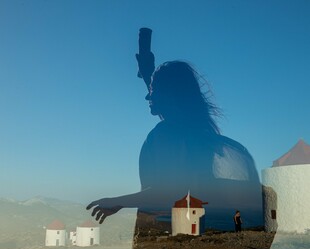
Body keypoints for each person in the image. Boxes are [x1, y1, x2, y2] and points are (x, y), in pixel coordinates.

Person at [86, 61, 262, 224]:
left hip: (169, 231)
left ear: (171, 95)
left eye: (154, 91)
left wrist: (117, 202)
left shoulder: (166, 133)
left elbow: (168, 192)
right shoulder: (199, 133)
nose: (148, 97)